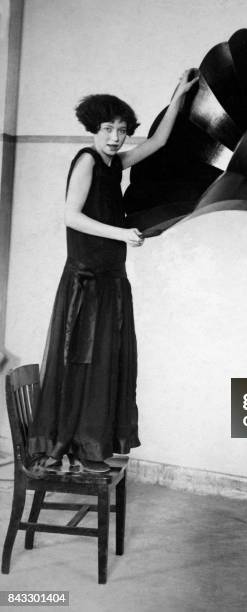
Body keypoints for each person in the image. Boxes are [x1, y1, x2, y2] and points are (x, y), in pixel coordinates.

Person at [28, 70, 198, 472]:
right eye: (107, 129)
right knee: (79, 364)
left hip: (110, 280)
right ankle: (61, 447)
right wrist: (121, 232)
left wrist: (178, 95)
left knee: (103, 364)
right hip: (85, 281)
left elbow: (158, 142)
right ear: (93, 128)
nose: (115, 137)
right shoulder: (87, 160)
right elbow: (70, 216)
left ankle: (90, 449)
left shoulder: (115, 163)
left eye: (121, 130)